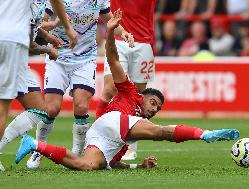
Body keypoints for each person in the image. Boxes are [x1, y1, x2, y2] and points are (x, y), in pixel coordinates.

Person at [15, 10, 240, 171]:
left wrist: (138, 166)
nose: (153, 109)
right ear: (142, 97)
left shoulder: (130, 132)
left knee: (87, 165)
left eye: (158, 108)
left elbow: (115, 162)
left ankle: (35, 145)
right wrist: (111, 33)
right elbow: (113, 60)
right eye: (153, 103)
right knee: (161, 133)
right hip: (113, 121)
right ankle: (205, 134)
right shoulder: (131, 92)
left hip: (103, 135)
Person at [26, 1, 134, 169]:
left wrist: (124, 32)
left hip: (85, 59)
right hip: (58, 57)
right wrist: (54, 24)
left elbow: (109, 20)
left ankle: (76, 153)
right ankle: (39, 149)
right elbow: (39, 24)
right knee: (52, 109)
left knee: (82, 107)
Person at [0, 0, 77, 171]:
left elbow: (32, 27)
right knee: (2, 106)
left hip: (17, 55)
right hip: (11, 46)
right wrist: (49, 48)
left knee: (39, 110)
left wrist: (48, 36)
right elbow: (28, 43)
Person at [96, 0, 157, 160]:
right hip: (118, 38)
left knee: (138, 95)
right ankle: (96, 136)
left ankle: (130, 145)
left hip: (144, 41)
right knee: (110, 89)